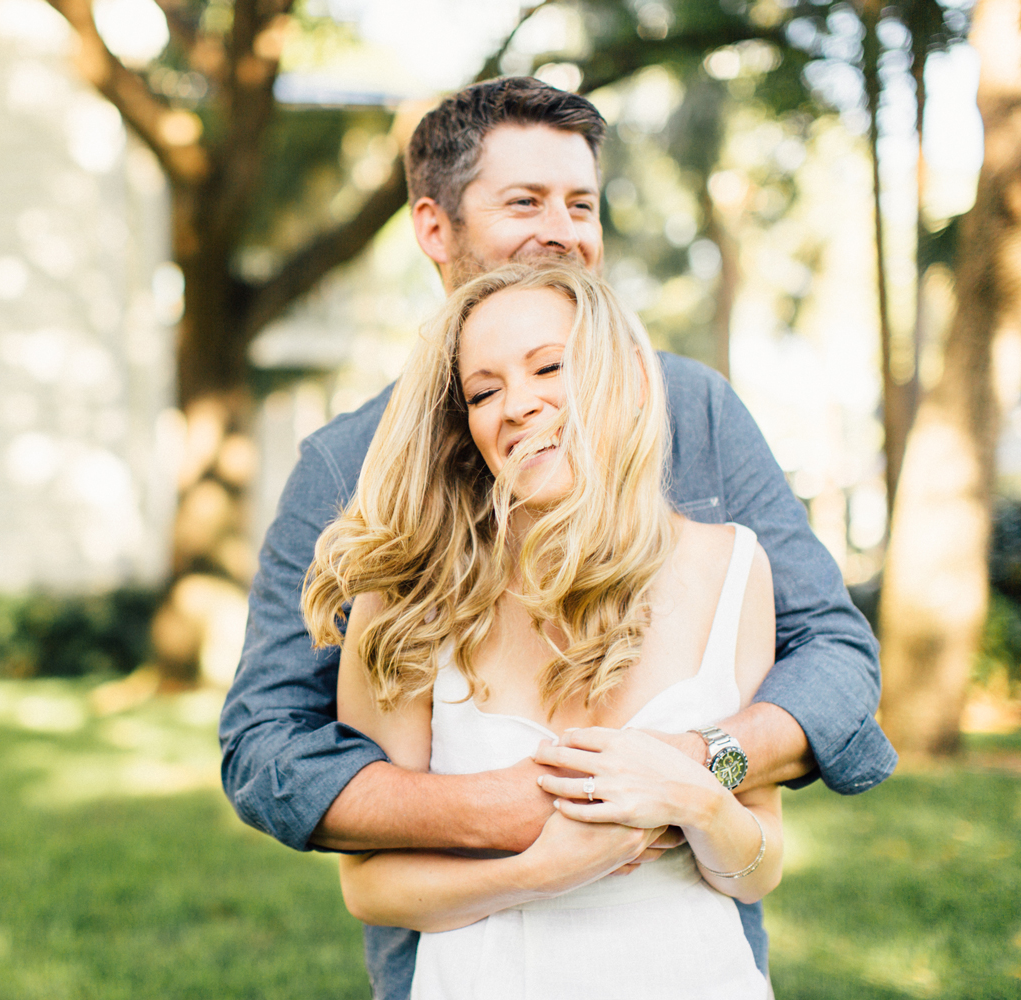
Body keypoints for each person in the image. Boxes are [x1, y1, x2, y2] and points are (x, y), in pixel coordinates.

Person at [218, 76, 896, 1000]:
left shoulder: (695, 409)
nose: (564, 229)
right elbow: (268, 746)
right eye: (525, 201)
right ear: (433, 228)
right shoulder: (346, 468)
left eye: (581, 202)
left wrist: (698, 767)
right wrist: (503, 813)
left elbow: (834, 652)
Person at [304, 259, 778, 998]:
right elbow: (371, 888)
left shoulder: (734, 570)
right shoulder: (407, 600)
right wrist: (540, 873)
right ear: (468, 432)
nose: (517, 405)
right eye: (484, 391)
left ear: (621, 374)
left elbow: (760, 864)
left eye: (548, 367)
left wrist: (693, 797)